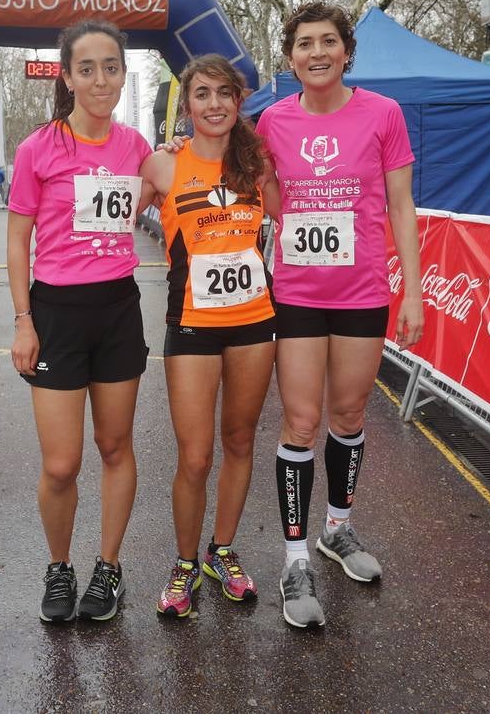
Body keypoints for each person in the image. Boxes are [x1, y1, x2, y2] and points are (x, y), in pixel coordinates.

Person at [255, 1, 424, 629]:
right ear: (291, 56)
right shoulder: (272, 120)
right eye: (304, 43)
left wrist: (413, 292)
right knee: (300, 422)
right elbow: (269, 197)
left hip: (362, 293)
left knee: (349, 413)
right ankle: (295, 556)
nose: (317, 52)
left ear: (347, 51)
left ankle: (338, 529)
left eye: (328, 41)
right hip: (297, 293)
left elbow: (402, 206)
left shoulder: (383, 114)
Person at [7, 19, 152, 623]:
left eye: (111, 67)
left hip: (118, 309)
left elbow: (175, 191)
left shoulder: (138, 148)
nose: (100, 79)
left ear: (123, 74)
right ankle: (60, 566)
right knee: (62, 462)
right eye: (86, 68)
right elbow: (17, 242)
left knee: (115, 446)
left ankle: (108, 567)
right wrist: (23, 320)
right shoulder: (38, 148)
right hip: (56, 314)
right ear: (67, 76)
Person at [138, 54, 275, 617]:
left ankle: (223, 551)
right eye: (202, 94)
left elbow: (297, 215)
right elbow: (111, 224)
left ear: (238, 101)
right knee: (195, 457)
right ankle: (185, 562)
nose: (214, 103)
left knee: (240, 442)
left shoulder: (259, 162)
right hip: (191, 321)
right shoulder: (163, 165)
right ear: (186, 105)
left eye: (224, 92)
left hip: (254, 321)